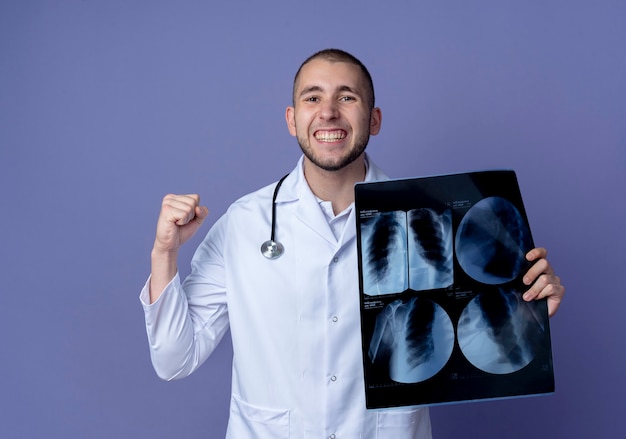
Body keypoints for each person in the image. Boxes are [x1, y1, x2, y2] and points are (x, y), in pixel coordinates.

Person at [140, 48, 565, 439]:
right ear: (291, 119)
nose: (328, 112)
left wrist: (527, 310)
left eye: (347, 98)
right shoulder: (243, 223)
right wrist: (165, 253)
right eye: (312, 98)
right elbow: (174, 360)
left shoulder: (436, 215)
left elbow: (478, 333)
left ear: (374, 119)